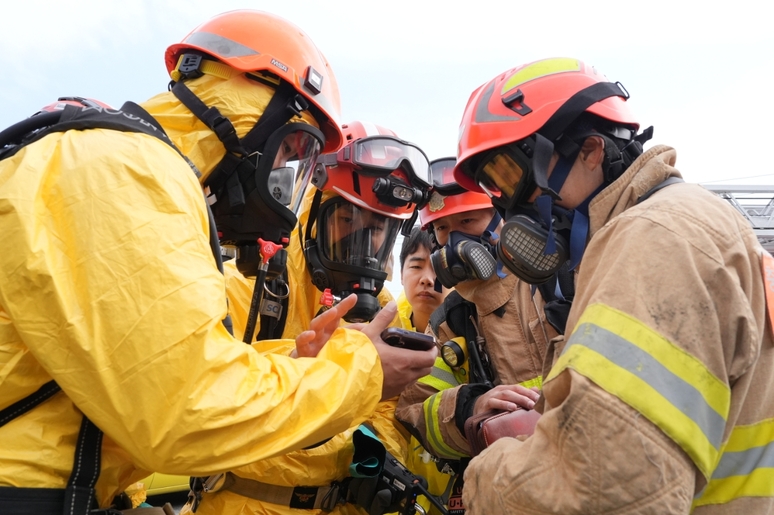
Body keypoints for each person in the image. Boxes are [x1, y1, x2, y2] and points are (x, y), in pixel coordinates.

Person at [0, 11, 436, 514]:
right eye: (292, 152)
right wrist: (361, 370)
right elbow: (185, 412)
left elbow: (152, 372)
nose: (283, 181)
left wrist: (294, 363)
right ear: (258, 110)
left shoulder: (131, 169)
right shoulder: (124, 172)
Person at [452, 57, 774, 514]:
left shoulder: (655, 239)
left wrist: (489, 473)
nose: (511, 209)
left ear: (590, 150)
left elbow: (602, 490)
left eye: (513, 176)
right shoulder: (686, 223)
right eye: (495, 187)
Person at [182, 121, 436, 515]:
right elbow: (206, 408)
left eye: (377, 230)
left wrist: (373, 452)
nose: (362, 244)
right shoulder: (241, 288)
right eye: (347, 221)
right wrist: (305, 372)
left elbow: (387, 412)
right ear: (312, 211)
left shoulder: (383, 305)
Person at [395, 157, 559, 513]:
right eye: (441, 229)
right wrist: (470, 406)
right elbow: (413, 411)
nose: (454, 241)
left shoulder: (556, 282)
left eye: (468, 220)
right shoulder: (449, 318)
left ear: (504, 217)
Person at [397, 226, 450, 333]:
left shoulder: (475, 329)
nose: (427, 279)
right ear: (401, 275)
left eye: (438, 268)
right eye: (416, 266)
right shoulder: (384, 329)